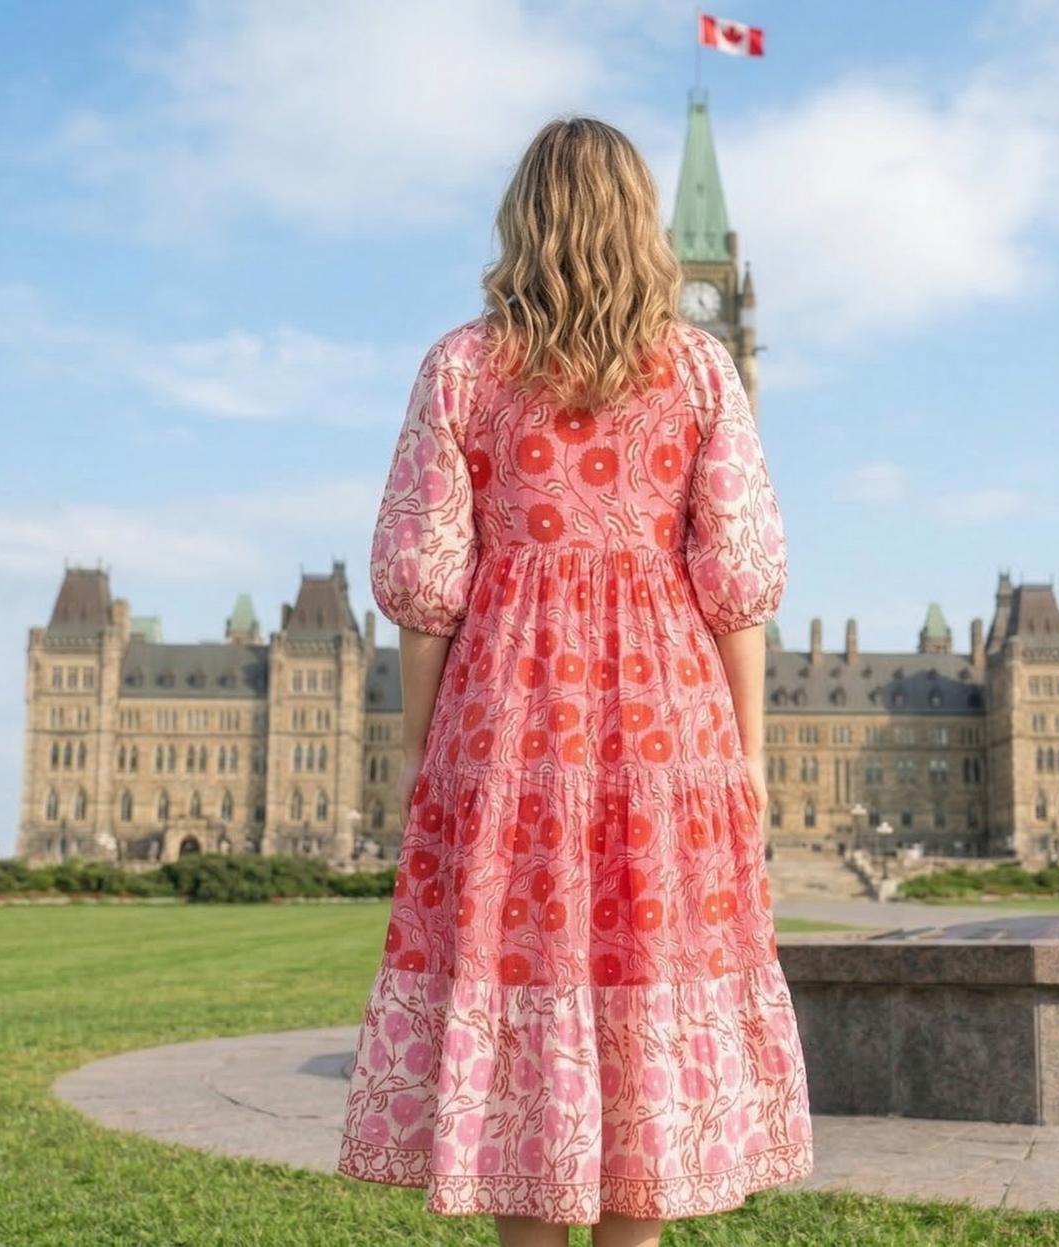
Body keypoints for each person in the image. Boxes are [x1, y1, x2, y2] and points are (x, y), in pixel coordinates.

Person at [337, 117, 812, 1247]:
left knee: (523, 992)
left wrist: (423, 755)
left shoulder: (460, 364)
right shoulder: (696, 366)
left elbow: (421, 586)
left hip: (506, 725)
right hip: (669, 730)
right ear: (639, 227)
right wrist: (742, 761)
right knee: (643, 989)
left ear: (523, 220)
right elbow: (737, 581)